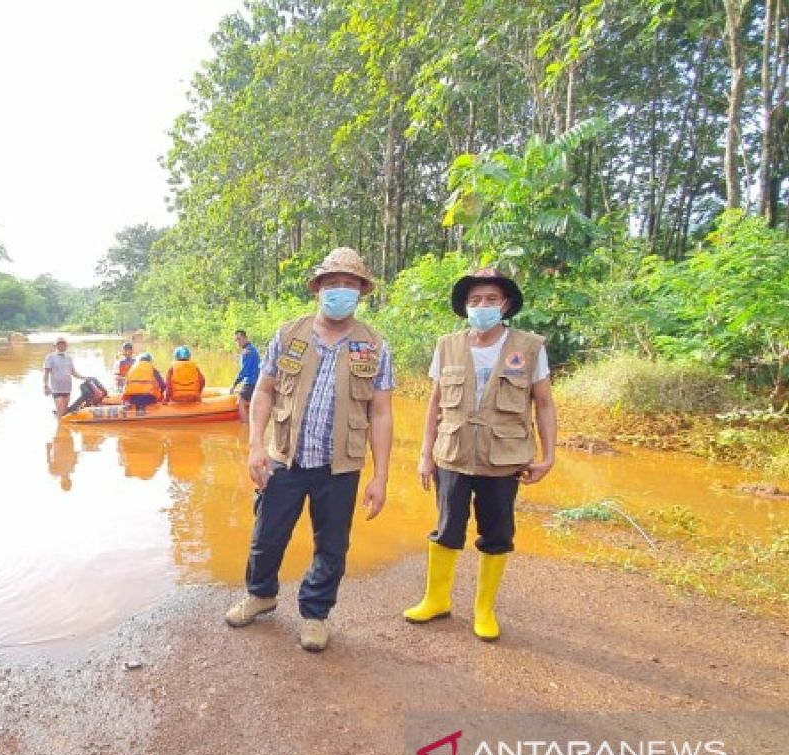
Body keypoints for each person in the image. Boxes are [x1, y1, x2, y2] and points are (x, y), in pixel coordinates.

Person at [224, 248, 394, 653]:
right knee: (266, 536)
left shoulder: (374, 345)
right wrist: (255, 447)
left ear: (361, 292)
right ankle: (260, 594)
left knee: (332, 546)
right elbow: (263, 392)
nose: (340, 291)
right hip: (284, 457)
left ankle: (315, 614)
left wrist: (381, 476)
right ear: (318, 288)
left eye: (350, 284)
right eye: (333, 283)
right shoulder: (288, 334)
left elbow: (382, 413)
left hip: (340, 466)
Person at [402, 267, 557, 642]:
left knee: (497, 533)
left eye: (490, 299)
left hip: (503, 459)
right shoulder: (448, 345)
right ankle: (436, 600)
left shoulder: (529, 347)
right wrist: (425, 454)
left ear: (505, 305)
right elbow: (435, 403)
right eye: (474, 301)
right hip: (452, 454)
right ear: (465, 307)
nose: (482, 306)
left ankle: (483, 610)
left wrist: (548, 457)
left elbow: (545, 405)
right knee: (446, 529)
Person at [43, 336, 84, 416]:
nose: (61, 346)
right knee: (61, 412)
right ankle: (59, 423)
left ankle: (59, 422)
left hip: (67, 389)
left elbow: (73, 373)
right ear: (55, 346)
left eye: (63, 344)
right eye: (59, 344)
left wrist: (84, 378)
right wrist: (46, 386)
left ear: (66, 346)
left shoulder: (69, 358)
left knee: (64, 413)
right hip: (56, 390)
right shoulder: (50, 357)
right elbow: (46, 372)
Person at [230, 329, 261, 423]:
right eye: (236, 340)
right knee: (249, 401)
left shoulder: (249, 351)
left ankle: (245, 427)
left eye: (239, 339)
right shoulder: (251, 349)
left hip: (251, 381)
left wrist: (234, 384)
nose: (238, 342)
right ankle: (251, 422)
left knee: (241, 401)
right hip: (255, 381)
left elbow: (244, 371)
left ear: (245, 338)